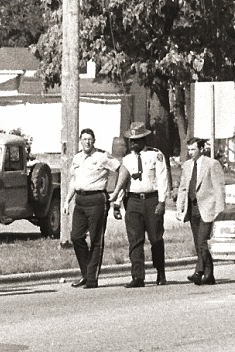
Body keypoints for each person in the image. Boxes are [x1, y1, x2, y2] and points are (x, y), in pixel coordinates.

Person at [64, 127, 120, 289]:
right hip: (80, 199)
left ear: (94, 141)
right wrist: (67, 200)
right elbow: (74, 181)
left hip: (97, 199)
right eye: (84, 139)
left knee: (96, 239)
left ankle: (92, 278)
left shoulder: (102, 156)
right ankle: (86, 273)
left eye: (90, 139)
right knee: (76, 236)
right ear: (80, 141)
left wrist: (115, 193)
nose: (87, 142)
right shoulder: (77, 158)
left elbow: (121, 170)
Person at [117, 122, 169, 287]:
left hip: (151, 199)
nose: (133, 144)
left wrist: (162, 202)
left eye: (137, 140)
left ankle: (160, 272)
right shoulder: (127, 159)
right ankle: (137, 276)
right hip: (133, 201)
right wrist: (117, 203)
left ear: (144, 140)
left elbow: (162, 178)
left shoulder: (155, 155)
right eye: (131, 141)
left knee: (155, 238)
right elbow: (123, 182)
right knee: (135, 239)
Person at [176, 137, 226, 286]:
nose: (191, 152)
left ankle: (200, 272)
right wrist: (180, 206)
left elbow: (219, 188)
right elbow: (183, 187)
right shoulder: (187, 165)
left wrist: (220, 210)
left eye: (193, 149)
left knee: (203, 241)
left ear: (201, 149)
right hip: (193, 208)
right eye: (189, 149)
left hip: (207, 207)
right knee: (198, 243)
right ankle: (207, 274)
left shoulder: (212, 164)